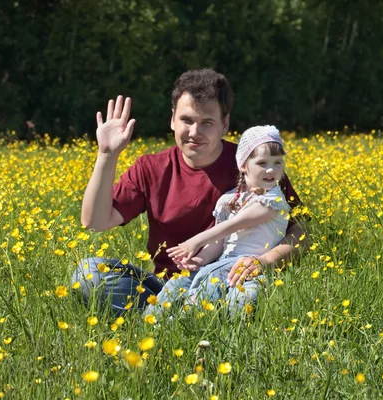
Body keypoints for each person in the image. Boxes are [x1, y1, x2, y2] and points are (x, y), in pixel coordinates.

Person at [73, 69, 307, 315]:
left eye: (207, 123)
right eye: (187, 120)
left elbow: (302, 230)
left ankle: (164, 322)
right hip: (168, 285)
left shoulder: (256, 165)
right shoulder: (151, 168)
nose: (194, 133)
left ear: (224, 124)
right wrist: (107, 154)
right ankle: (171, 317)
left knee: (245, 301)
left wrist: (262, 263)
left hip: (231, 281)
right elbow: (94, 222)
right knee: (89, 274)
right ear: (172, 119)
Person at [145, 125, 291, 315]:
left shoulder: (273, 200)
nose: (271, 169)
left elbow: (236, 224)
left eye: (278, 162)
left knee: (219, 286)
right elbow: (218, 243)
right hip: (221, 263)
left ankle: (187, 321)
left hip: (250, 267)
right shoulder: (228, 200)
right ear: (244, 165)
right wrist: (197, 260)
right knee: (178, 281)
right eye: (262, 163)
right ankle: (150, 322)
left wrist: (195, 241)